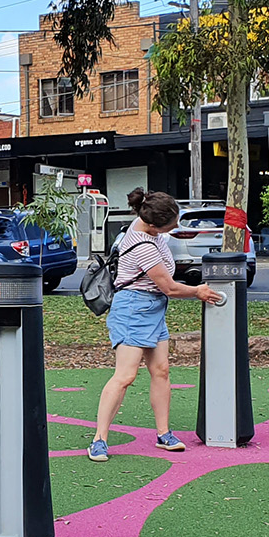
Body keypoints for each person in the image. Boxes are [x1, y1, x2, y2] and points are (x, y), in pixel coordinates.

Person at [90, 189, 221, 461]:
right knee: (125, 376)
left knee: (161, 370)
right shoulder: (142, 246)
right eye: (171, 224)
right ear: (152, 224)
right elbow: (170, 287)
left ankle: (164, 433)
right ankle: (99, 439)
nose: (176, 227)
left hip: (153, 308)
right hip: (133, 310)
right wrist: (198, 291)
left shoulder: (152, 232)